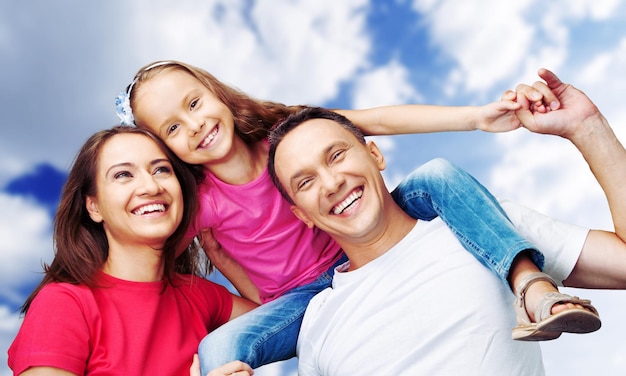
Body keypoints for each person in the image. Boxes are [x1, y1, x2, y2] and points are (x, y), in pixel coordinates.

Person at [116, 61, 597, 372]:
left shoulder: (286, 135)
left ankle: (533, 289)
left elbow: (380, 120)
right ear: (167, 148)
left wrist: (475, 118)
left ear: (215, 91)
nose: (196, 125)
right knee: (217, 351)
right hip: (304, 298)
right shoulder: (200, 202)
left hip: (366, 237)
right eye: (174, 128)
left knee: (437, 174)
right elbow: (192, 256)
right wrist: (260, 302)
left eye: (195, 103)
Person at [266, 68, 626, 374]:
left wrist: (587, 127)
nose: (331, 184)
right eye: (306, 182)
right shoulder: (315, 323)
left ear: (374, 154)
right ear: (301, 215)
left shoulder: (484, 227)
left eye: (337, 155)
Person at [7, 126, 257, 376]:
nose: (151, 186)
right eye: (123, 174)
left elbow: (283, 323)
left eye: (161, 170)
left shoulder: (198, 295)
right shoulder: (64, 303)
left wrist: (224, 260)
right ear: (94, 207)